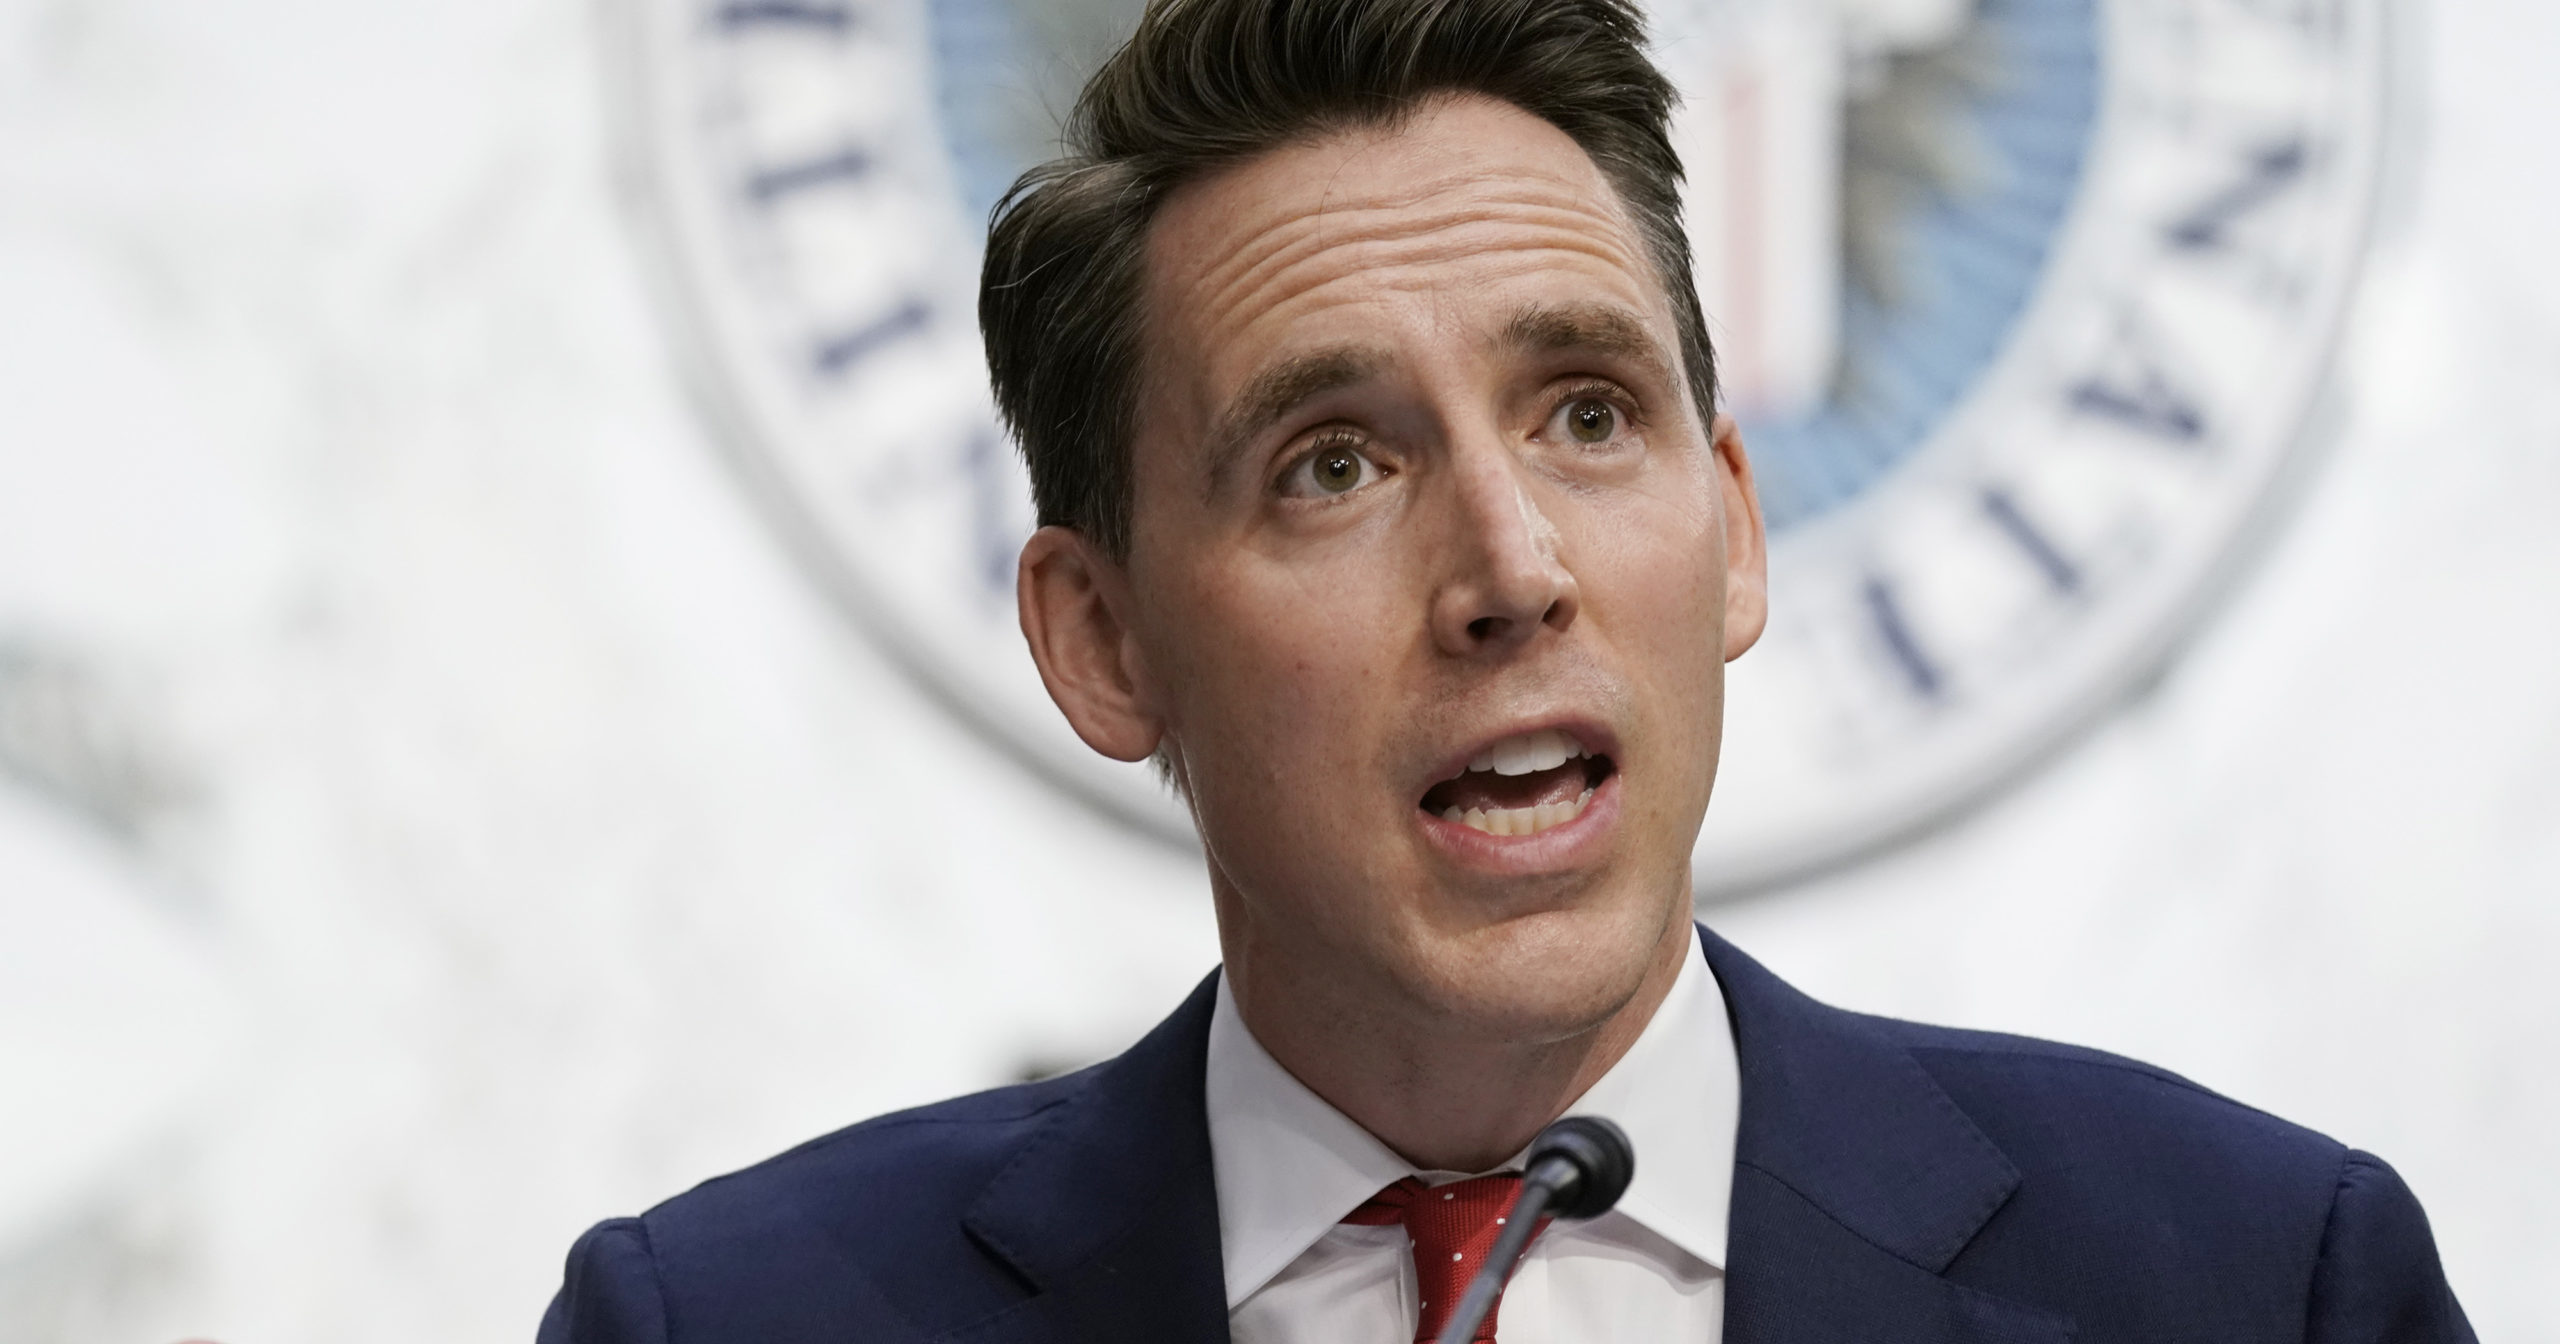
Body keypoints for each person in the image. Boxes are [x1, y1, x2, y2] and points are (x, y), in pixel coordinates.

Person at [538, 0, 2474, 1339]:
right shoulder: (723, 1322)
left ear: (1727, 525)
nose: (1508, 568)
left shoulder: (2253, 1286)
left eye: (1582, 414)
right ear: (1103, 642)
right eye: (1331, 466)